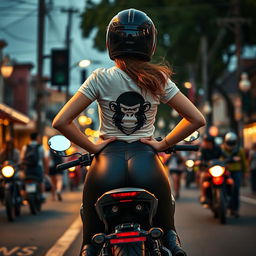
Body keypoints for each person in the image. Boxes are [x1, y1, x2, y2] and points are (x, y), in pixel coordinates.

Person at [52, 9, 205, 256]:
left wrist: (93, 148)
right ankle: (171, 240)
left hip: (105, 165)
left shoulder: (99, 78)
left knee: (90, 240)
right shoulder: (159, 79)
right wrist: (162, 143)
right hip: (147, 163)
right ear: (151, 44)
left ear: (110, 42)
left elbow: (61, 121)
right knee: (166, 232)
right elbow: (196, 119)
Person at [221, 132, 248, 217]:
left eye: (232, 143)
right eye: (229, 142)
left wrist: (245, 173)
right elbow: (218, 159)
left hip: (236, 172)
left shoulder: (240, 150)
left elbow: (244, 163)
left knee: (235, 190)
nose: (230, 145)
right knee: (223, 189)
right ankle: (222, 205)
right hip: (223, 172)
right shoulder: (221, 149)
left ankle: (235, 209)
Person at [20, 132, 48, 200]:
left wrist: (23, 168)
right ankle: (42, 195)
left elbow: (22, 158)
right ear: (37, 138)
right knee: (41, 181)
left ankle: (25, 197)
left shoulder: (25, 147)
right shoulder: (40, 147)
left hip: (28, 168)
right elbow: (44, 159)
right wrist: (46, 169)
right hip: (37, 167)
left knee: (26, 181)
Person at [198, 134, 223, 205]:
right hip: (207, 170)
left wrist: (231, 159)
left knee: (228, 177)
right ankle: (203, 196)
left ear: (210, 142)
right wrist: (199, 162)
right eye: (204, 142)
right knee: (202, 177)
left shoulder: (218, 148)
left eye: (205, 142)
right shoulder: (203, 150)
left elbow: (224, 156)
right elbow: (200, 159)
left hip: (218, 169)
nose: (204, 143)